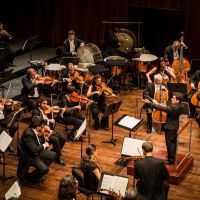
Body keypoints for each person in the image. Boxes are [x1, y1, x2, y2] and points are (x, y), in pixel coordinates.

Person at [144, 92, 185, 164]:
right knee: (173, 143)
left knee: (169, 144)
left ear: (177, 100)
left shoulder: (173, 107)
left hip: (170, 127)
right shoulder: (182, 106)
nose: (171, 99)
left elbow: (161, 108)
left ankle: (171, 160)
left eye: (173, 98)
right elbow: (165, 107)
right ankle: (172, 156)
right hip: (175, 126)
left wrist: (149, 103)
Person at [20, 116, 57, 183]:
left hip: (37, 152)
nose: (42, 127)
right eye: (41, 126)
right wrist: (44, 145)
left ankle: (38, 172)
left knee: (54, 155)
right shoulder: (28, 133)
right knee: (45, 169)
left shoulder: (34, 129)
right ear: (37, 127)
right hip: (30, 156)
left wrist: (46, 137)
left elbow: (37, 141)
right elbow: (34, 149)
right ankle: (31, 177)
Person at [32, 96, 67, 165]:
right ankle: (57, 158)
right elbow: (38, 122)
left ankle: (54, 153)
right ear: (39, 103)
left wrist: (59, 113)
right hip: (41, 132)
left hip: (49, 130)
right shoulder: (36, 111)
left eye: (46, 104)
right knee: (56, 139)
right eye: (43, 104)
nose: (46, 105)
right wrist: (48, 120)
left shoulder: (46, 110)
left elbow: (54, 121)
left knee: (63, 138)